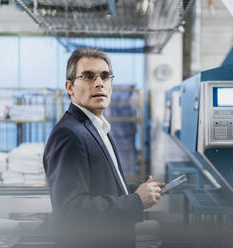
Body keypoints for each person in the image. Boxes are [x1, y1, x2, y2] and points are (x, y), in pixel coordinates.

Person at [43, 48, 164, 247]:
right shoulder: (70, 134)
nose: (99, 83)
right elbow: (70, 212)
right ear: (70, 87)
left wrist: (139, 191)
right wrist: (136, 202)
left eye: (105, 76)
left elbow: (102, 186)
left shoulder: (96, 128)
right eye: (89, 76)